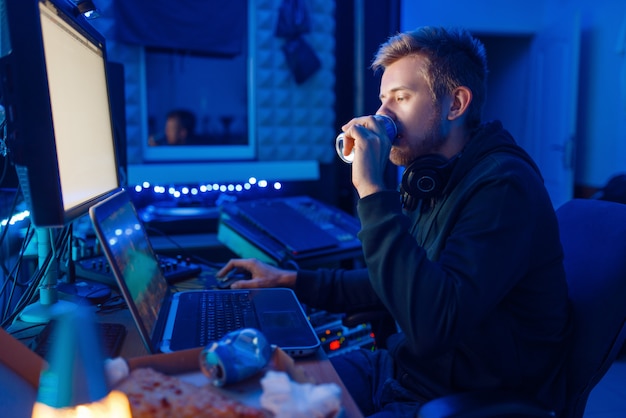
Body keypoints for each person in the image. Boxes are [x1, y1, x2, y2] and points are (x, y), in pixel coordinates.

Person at [218, 26, 572, 416]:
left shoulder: (504, 187)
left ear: (455, 105)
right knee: (256, 400)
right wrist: (293, 281)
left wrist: (372, 190)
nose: (381, 115)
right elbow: (404, 280)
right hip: (398, 371)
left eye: (400, 98)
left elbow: (432, 324)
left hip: (454, 398)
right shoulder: (434, 176)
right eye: (382, 100)